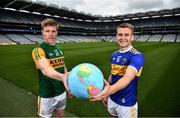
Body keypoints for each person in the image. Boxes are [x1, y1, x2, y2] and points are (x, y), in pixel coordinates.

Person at [92, 23, 144, 118]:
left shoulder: (137, 56)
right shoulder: (114, 55)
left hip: (127, 103)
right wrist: (107, 91)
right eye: (120, 34)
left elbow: (128, 77)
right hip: (112, 98)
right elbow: (112, 75)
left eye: (126, 35)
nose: (123, 37)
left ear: (132, 37)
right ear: (116, 36)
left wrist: (109, 90)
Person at [32, 18, 69, 118]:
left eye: (53, 31)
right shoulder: (38, 50)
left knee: (60, 116)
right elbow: (45, 68)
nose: (50, 34)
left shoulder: (59, 48)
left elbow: (63, 66)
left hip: (61, 92)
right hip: (47, 95)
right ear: (42, 32)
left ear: (57, 32)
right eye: (47, 31)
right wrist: (62, 77)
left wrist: (70, 84)